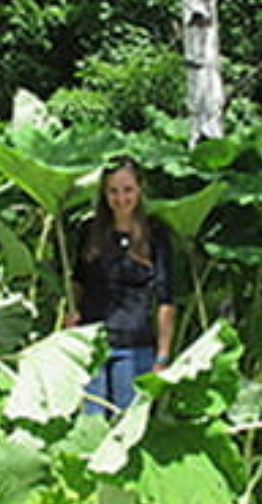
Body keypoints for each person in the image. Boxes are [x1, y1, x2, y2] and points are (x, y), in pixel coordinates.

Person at [73, 159, 178, 418]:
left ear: (140, 189)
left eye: (128, 190)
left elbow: (166, 298)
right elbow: (78, 281)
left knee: (126, 426)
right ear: (104, 193)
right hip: (91, 344)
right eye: (113, 191)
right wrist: (72, 313)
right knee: (91, 424)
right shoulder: (89, 231)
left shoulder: (155, 234)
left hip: (135, 346)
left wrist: (163, 356)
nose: (121, 198)